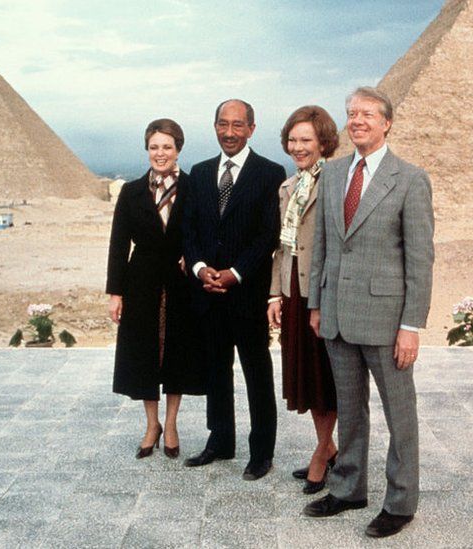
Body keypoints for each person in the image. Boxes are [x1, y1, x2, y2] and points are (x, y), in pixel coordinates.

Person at [303, 87, 434, 538]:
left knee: (401, 415)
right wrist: (317, 303)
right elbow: (322, 243)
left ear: (387, 122)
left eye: (367, 114)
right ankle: (348, 488)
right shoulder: (335, 172)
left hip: (385, 319)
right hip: (337, 313)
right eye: (351, 114)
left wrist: (410, 326)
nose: (357, 120)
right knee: (351, 410)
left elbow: (420, 259)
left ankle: (400, 502)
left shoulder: (410, 179)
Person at [181, 99, 286, 480]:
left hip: (247, 295)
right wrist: (199, 268)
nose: (229, 132)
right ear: (214, 126)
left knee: (257, 373)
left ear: (252, 129)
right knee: (216, 372)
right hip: (208, 293)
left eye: (238, 125)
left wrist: (236, 273)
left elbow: (267, 235)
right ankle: (220, 441)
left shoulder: (270, 173)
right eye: (223, 124)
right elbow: (188, 230)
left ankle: (262, 452)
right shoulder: (200, 171)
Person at [106, 118, 204, 459]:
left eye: (166, 147)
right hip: (142, 281)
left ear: (178, 149)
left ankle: (172, 422)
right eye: (153, 147)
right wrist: (115, 293)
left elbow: (204, 234)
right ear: (146, 149)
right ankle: (152, 424)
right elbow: (118, 244)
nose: (160, 153)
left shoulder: (195, 188)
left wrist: (192, 257)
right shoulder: (131, 192)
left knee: (176, 352)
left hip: (181, 283)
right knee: (144, 353)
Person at [266, 106, 339, 494]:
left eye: (306, 140)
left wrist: (325, 298)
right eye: (293, 140)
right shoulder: (288, 187)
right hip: (294, 289)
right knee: (306, 378)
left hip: (322, 291)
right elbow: (283, 247)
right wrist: (275, 293)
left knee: (325, 376)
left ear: (323, 142)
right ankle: (327, 447)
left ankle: (321, 453)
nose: (298, 147)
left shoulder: (336, 182)